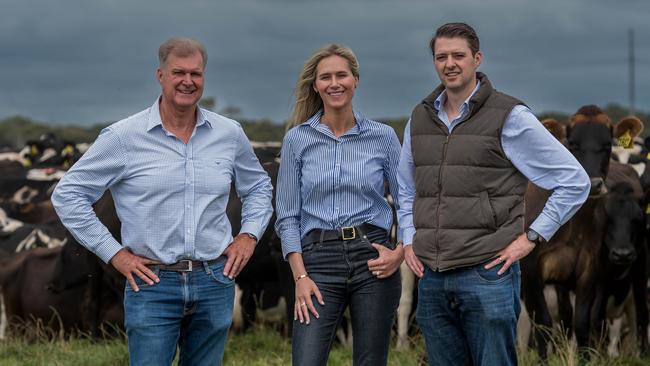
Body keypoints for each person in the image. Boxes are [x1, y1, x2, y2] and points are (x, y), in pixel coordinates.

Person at [52, 37, 273, 366]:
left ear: (204, 77)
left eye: (196, 74)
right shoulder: (123, 137)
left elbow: (258, 186)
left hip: (214, 279)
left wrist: (249, 235)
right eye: (178, 72)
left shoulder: (229, 133)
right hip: (153, 282)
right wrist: (115, 255)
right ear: (160, 75)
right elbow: (67, 194)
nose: (188, 81)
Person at [397, 23, 590, 365]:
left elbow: (575, 181)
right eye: (441, 57)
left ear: (477, 59)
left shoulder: (510, 116)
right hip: (432, 277)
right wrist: (410, 238)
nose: (449, 63)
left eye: (459, 55)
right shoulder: (420, 117)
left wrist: (532, 237)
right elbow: (405, 185)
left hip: (487, 272)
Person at [275, 44, 403, 366]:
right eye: (326, 77)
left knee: (371, 361)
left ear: (355, 80)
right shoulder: (296, 140)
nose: (335, 83)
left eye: (341, 75)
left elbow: (408, 203)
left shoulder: (383, 137)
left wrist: (399, 252)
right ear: (316, 85)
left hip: (373, 256)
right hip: (317, 261)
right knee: (306, 360)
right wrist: (300, 278)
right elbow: (287, 217)